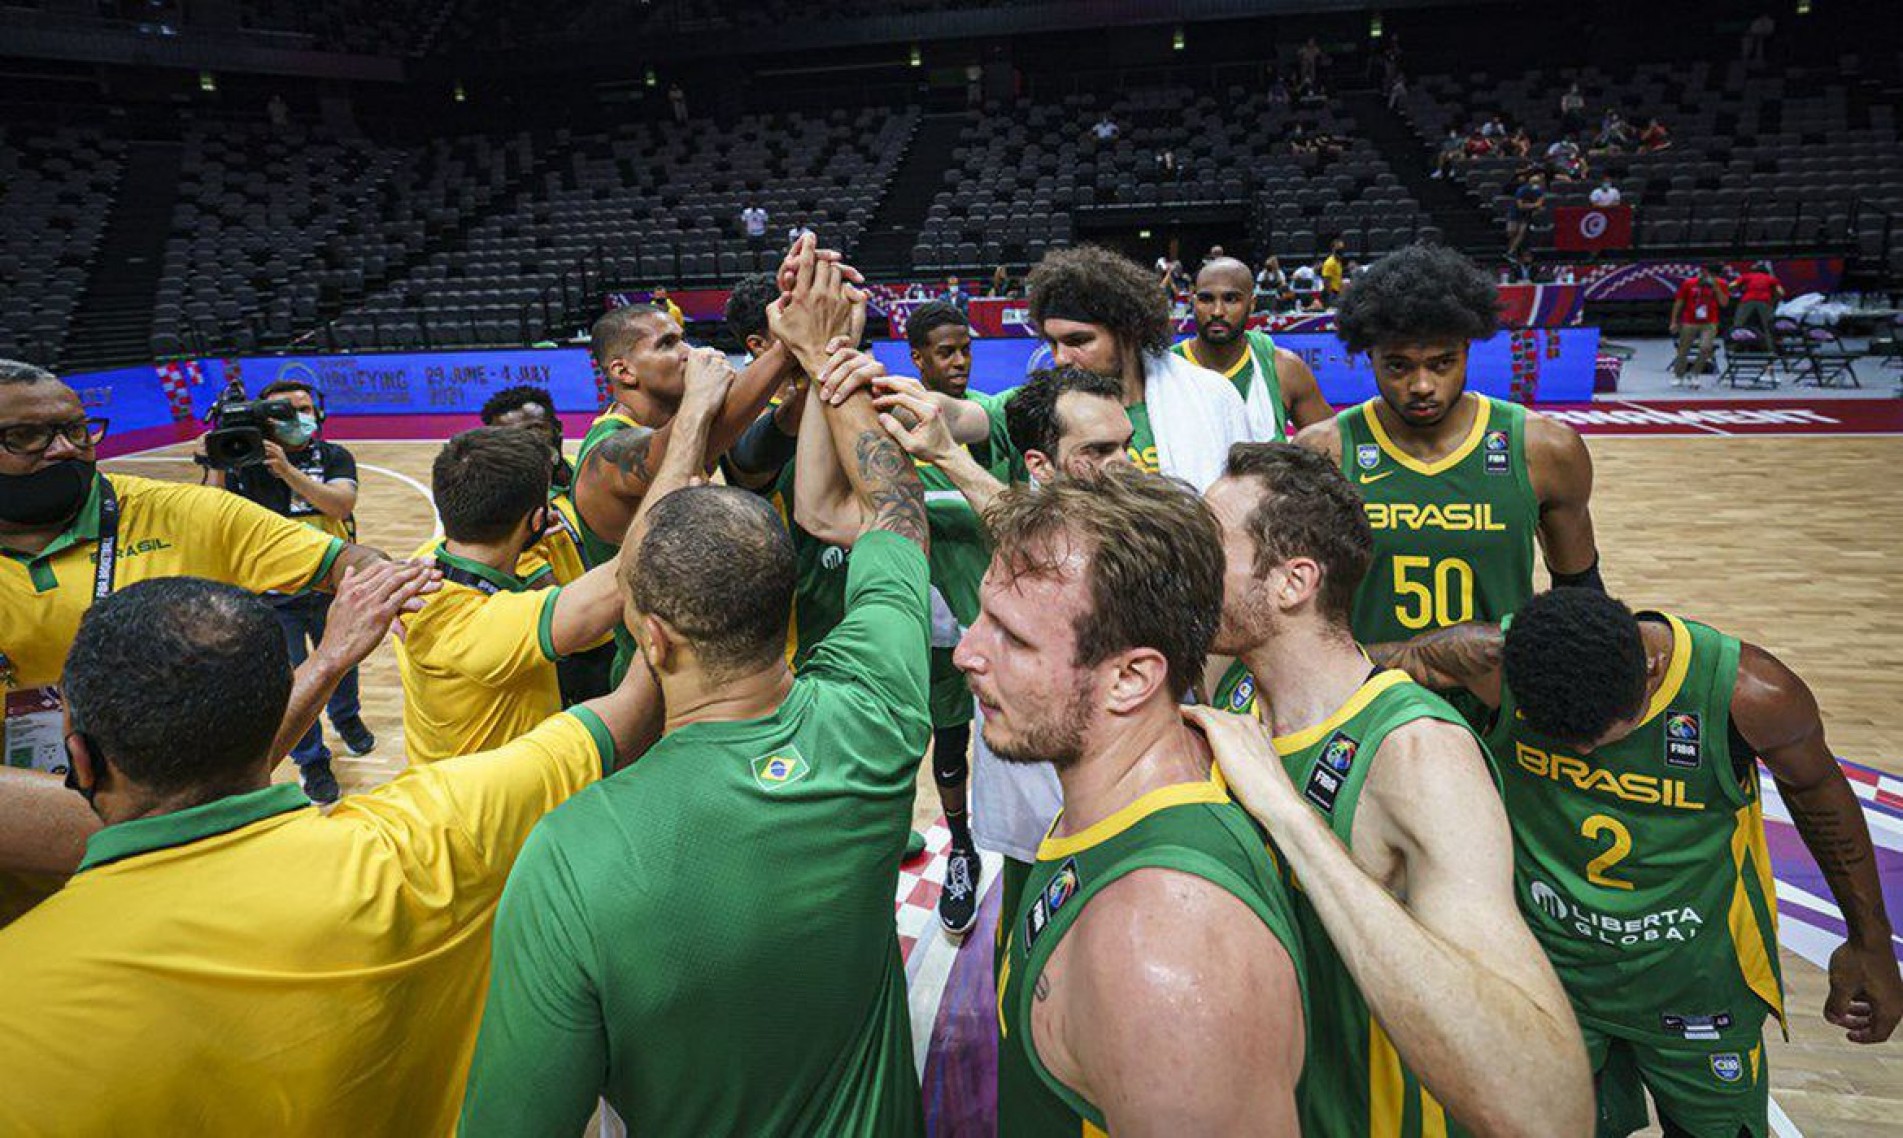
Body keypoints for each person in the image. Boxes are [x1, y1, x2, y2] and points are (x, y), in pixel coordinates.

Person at [460, 242, 934, 1136]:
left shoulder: (565, 857)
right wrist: (818, 350)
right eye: (670, 344)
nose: (689, 355)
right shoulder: (876, 721)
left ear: (651, 628)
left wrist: (798, 355)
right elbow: (892, 518)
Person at [0, 564, 662, 1135]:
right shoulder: (437, 831)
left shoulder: (22, 993)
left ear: (80, 758)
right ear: (277, 727)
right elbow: (627, 711)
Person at [1376, 589, 1903, 1137]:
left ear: (1650, 671)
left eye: (1602, 737)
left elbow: (1819, 794)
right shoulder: (1494, 664)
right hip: (1550, 977)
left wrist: (1870, 940)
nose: (1582, 753)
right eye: (1567, 741)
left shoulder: (1751, 695)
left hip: (1698, 982)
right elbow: (1352, 664)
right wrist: (1428, 650)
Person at [1194, 442, 1592, 1136]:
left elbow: (1545, 1113)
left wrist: (1287, 813)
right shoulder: (1230, 685)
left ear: (1291, 583)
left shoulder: (1417, 754)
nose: (1182, 568)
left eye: (1205, 548)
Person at [959, 468, 1308, 1135]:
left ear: (1130, 677)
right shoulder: (1129, 789)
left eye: (1014, 638)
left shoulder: (1159, 957)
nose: (968, 653)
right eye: (981, 616)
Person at [0, 361, 387, 919]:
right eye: (28, 436)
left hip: (191, 890)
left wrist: (375, 593)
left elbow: (354, 557)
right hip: (25, 904)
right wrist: (179, 814)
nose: (63, 448)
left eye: (78, 430)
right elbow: (200, 795)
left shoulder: (184, 512)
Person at [1293, 245, 1600, 671]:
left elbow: (1580, 591)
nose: (1421, 385)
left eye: (1441, 363)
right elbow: (1293, 608)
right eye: (1399, 366)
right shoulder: (1323, 453)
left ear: (1468, 350)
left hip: (1501, 698)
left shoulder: (1546, 449)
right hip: (1371, 701)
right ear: (1370, 357)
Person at [397, 372, 725, 764]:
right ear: (538, 520)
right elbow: (629, 565)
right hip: (491, 810)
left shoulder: (419, 570)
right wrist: (696, 409)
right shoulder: (481, 624)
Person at [573, 289, 796, 681]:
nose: (688, 353)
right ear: (624, 372)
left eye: (683, 339)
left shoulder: (675, 426)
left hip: (704, 659)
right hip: (652, 674)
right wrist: (788, 345)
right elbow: (695, 438)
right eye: (667, 344)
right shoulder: (608, 453)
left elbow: (714, 425)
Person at [199, 379, 372, 802]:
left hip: (331, 585)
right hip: (272, 596)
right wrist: (218, 460)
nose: (298, 416)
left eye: (305, 407)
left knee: (344, 662)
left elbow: (340, 505)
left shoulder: (333, 455)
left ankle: (347, 719)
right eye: (285, 410)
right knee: (291, 684)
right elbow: (206, 515)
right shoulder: (242, 463)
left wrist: (288, 472)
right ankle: (312, 763)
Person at [1026, 244, 1251, 489]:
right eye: (1053, 343)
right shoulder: (1048, 409)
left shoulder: (1214, 396)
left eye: (1078, 341)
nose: (1060, 358)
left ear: (1128, 332)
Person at [1173, 257, 1333, 439]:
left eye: (1231, 299)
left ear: (1252, 304)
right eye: (1206, 299)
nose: (1217, 311)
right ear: (1194, 302)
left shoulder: (1284, 369)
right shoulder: (1165, 369)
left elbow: (1333, 446)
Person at [480, 383, 572, 494]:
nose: (527, 442)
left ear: (557, 428)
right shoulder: (502, 500)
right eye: (511, 436)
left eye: (534, 429)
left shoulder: (586, 467)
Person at [1668, 263, 1729, 388]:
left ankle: (1695, 374)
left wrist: (1716, 287)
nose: (1710, 276)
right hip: (1689, 321)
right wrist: (1674, 321)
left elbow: (1724, 303)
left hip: (1709, 322)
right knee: (1683, 349)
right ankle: (1679, 375)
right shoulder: (1689, 283)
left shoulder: (1721, 284)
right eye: (1707, 273)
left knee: (1706, 348)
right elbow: (1679, 302)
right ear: (1703, 272)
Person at [1729, 262, 1784, 346]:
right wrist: (1773, 300)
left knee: (1738, 324)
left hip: (1747, 300)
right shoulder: (1770, 278)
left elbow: (1732, 285)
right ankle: (1772, 349)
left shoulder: (1747, 276)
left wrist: (1736, 292)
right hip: (1765, 301)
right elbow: (1781, 292)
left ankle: (1732, 348)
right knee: (1768, 326)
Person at [1508, 173, 1545, 256]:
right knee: (1511, 233)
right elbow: (1520, 206)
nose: (1536, 185)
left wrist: (1531, 206)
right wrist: (1534, 205)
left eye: (1538, 183)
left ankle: (1511, 252)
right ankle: (1515, 252)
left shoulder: (1540, 192)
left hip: (1526, 215)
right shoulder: (1521, 190)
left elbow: (1539, 204)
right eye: (1534, 183)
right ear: (1529, 183)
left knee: (1521, 233)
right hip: (1514, 213)